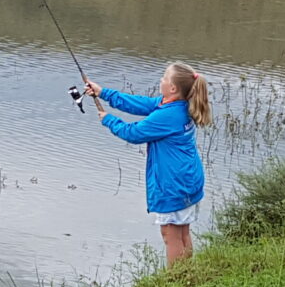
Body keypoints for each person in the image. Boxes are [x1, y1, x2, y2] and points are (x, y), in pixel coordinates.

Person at [85, 62, 212, 267]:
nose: (161, 80)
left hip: (174, 184)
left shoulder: (168, 115)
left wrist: (108, 119)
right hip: (187, 179)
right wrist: (103, 93)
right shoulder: (178, 105)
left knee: (170, 235)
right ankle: (188, 276)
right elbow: (141, 104)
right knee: (182, 232)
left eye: (164, 78)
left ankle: (175, 283)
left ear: (172, 88)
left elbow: (133, 133)